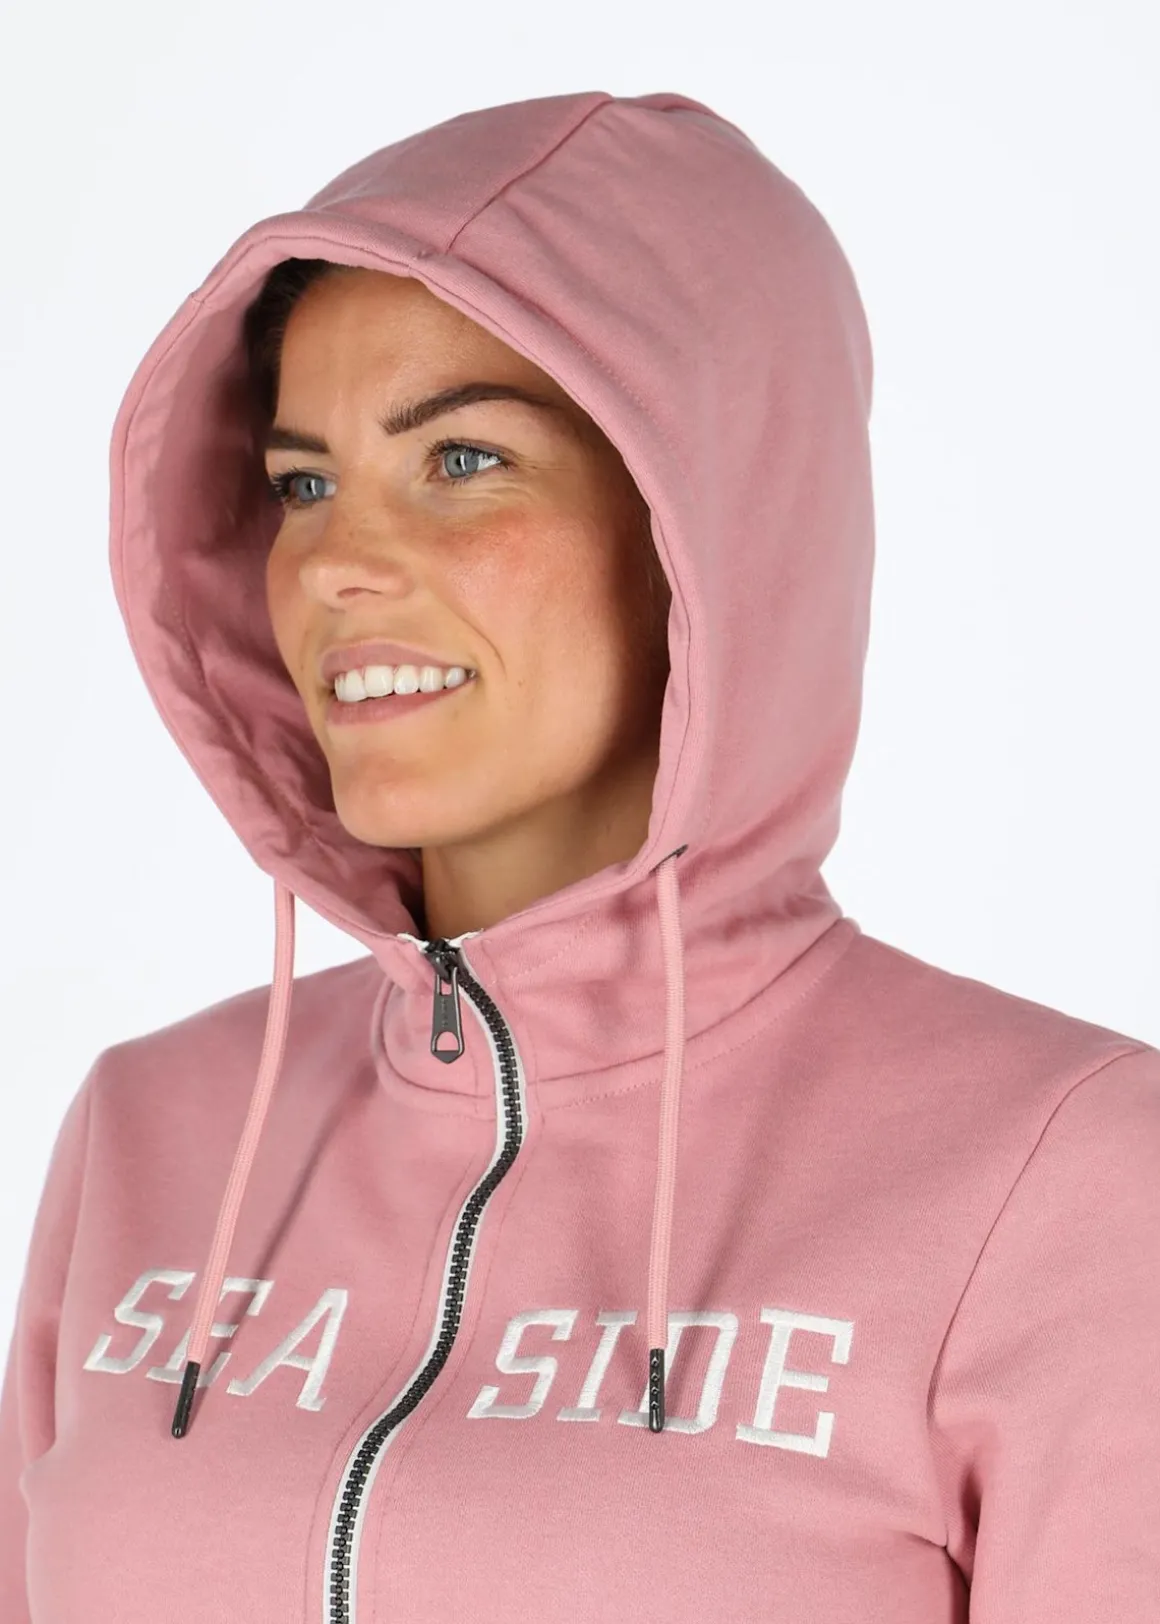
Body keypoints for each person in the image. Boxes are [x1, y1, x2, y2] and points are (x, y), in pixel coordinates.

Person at [1, 87, 1156, 1624]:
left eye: (464, 458)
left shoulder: (1067, 1172)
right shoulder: (151, 1131)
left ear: (708, 532)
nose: (336, 565)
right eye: (302, 484)